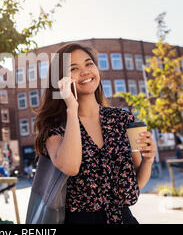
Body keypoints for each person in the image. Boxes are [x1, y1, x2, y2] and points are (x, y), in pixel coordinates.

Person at [33, 43, 156, 224]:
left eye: (89, 64)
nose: (85, 72)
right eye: (73, 69)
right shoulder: (55, 127)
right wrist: (72, 109)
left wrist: (148, 160)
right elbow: (71, 167)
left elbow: (134, 186)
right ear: (61, 80)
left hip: (123, 219)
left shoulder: (122, 119)